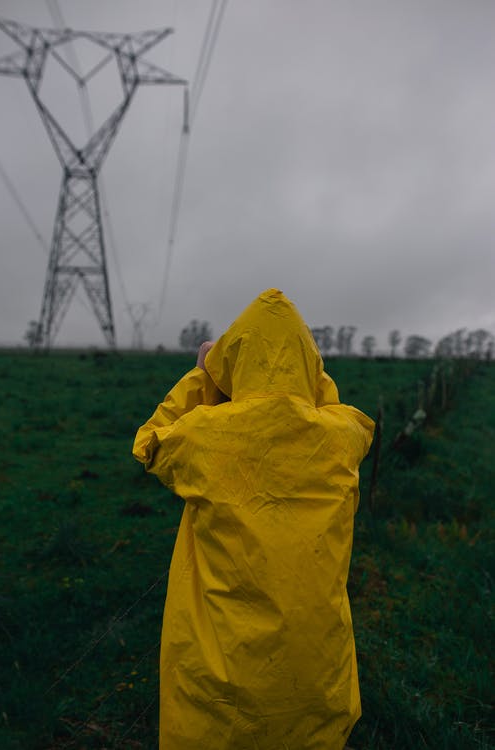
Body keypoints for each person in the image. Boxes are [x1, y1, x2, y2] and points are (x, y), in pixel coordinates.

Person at [133, 288, 374, 750]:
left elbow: (149, 442)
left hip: (220, 671)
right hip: (315, 666)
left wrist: (202, 377)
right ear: (310, 364)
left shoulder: (203, 434)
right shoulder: (343, 438)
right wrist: (313, 382)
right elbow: (327, 404)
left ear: (232, 360)